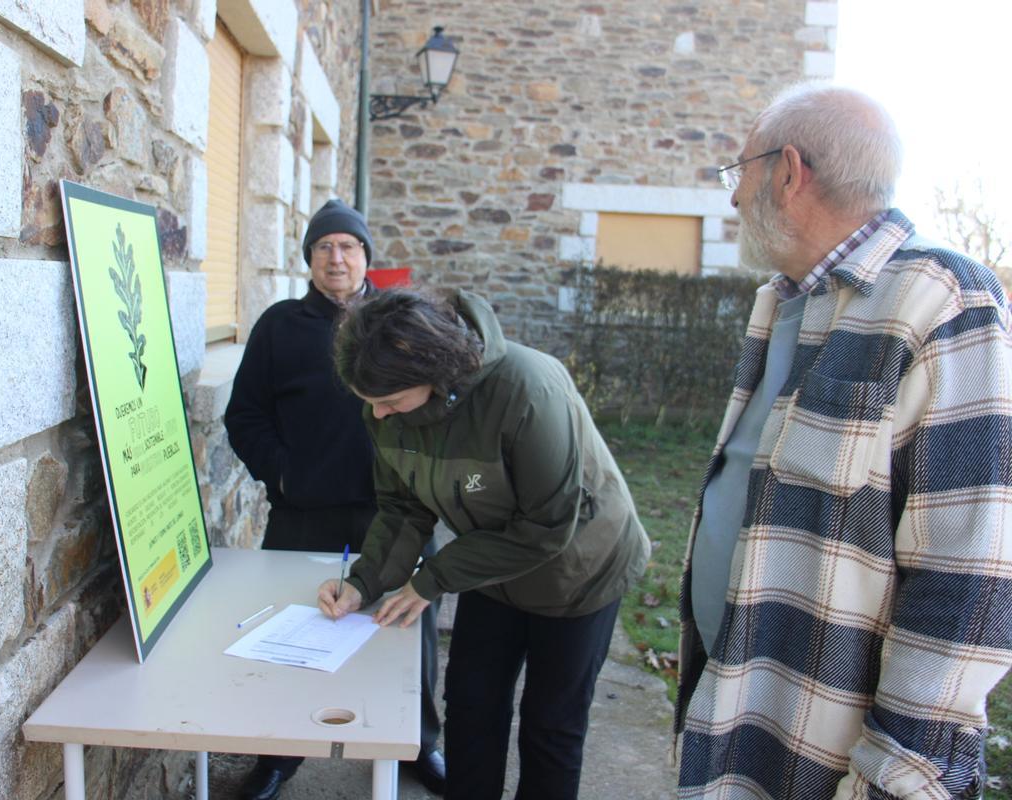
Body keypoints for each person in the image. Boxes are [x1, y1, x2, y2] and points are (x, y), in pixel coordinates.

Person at [675, 82, 1012, 799]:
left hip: (827, 754)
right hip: (742, 699)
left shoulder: (943, 299)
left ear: (789, 172)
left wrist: (900, 776)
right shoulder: (784, 300)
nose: (733, 198)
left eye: (738, 172)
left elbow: (972, 574)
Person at [317, 288, 651, 800]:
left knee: (550, 723)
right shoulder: (386, 403)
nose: (379, 416)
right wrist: (363, 583)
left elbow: (546, 526)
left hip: (580, 570)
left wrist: (433, 579)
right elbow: (404, 508)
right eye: (371, 404)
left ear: (431, 372)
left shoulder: (528, 389)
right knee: (472, 705)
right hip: (491, 566)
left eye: (388, 402)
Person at [224, 200, 445, 800]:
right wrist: (285, 475)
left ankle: (419, 744)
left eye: (348, 245)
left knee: (406, 626)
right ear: (309, 260)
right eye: (324, 247)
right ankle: (278, 757)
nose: (336, 257)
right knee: (292, 629)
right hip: (303, 513)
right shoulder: (279, 326)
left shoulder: (399, 322)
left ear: (366, 256)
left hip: (394, 512)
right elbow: (244, 416)